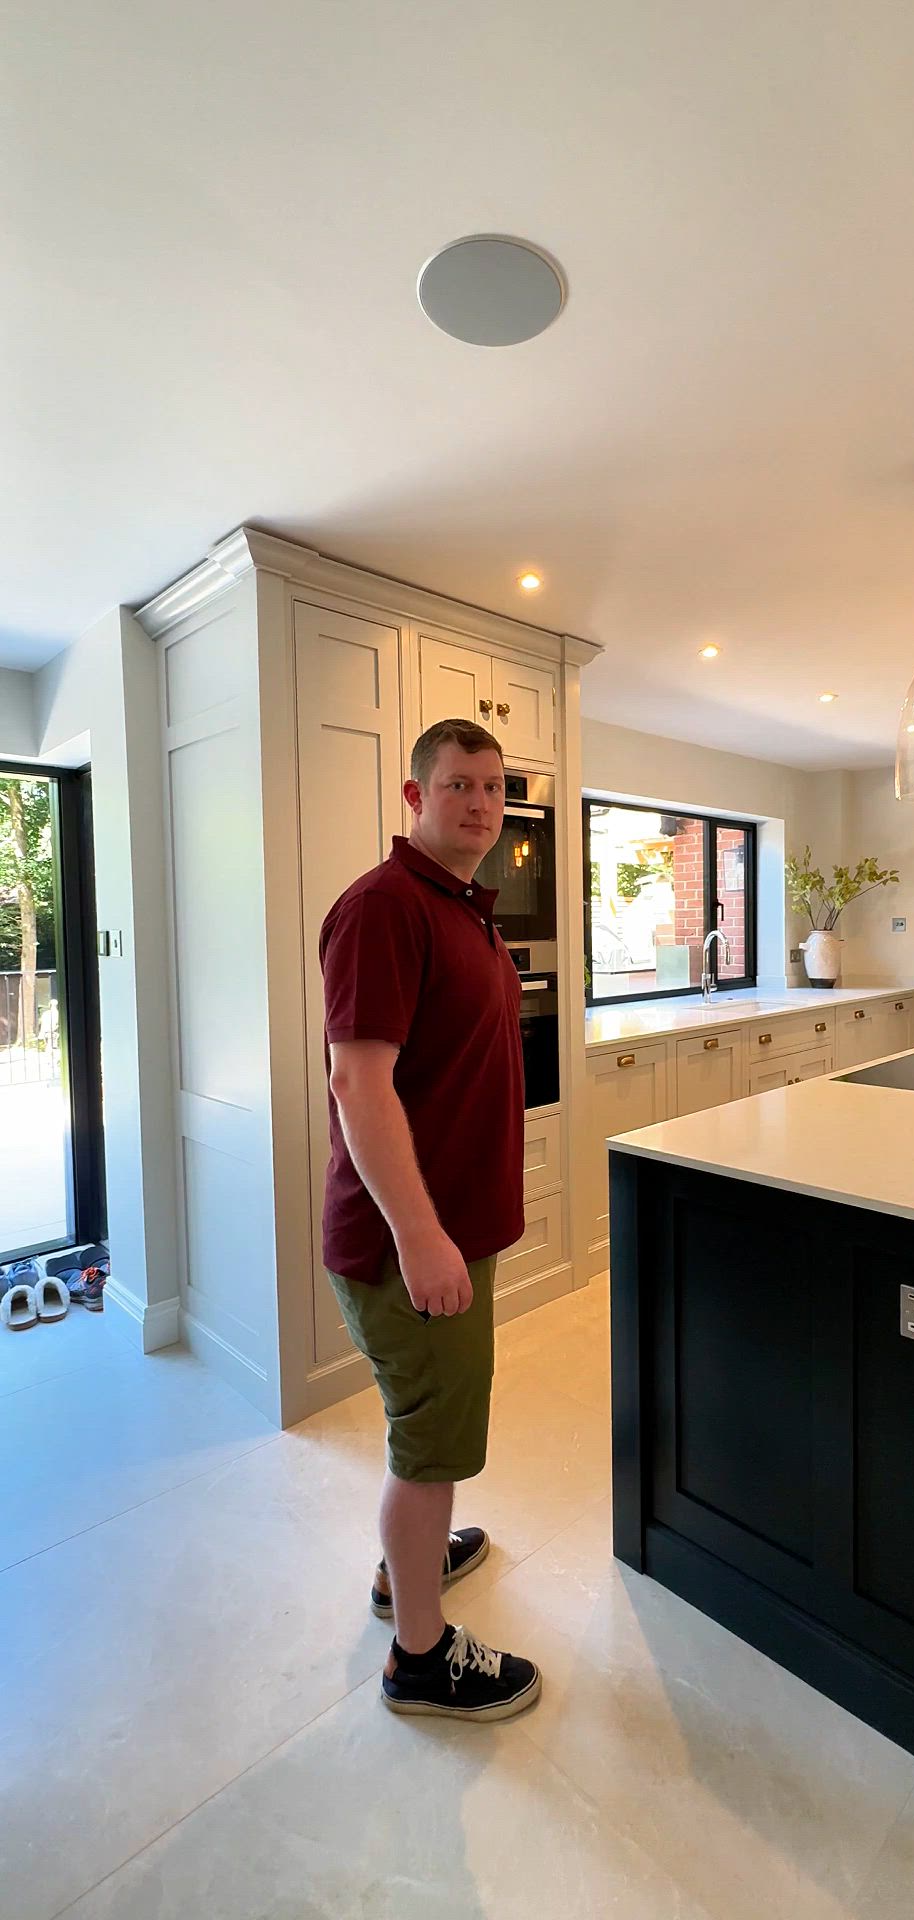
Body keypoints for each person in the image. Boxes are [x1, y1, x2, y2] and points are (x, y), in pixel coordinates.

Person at [320, 717, 541, 1722]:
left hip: (454, 1228)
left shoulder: (464, 909)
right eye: (458, 785)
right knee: (432, 1446)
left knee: (433, 1433)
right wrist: (419, 1234)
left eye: (494, 788)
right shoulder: (383, 909)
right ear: (415, 798)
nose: (481, 804)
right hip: (412, 1240)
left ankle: (403, 1566)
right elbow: (359, 1086)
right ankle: (418, 1656)